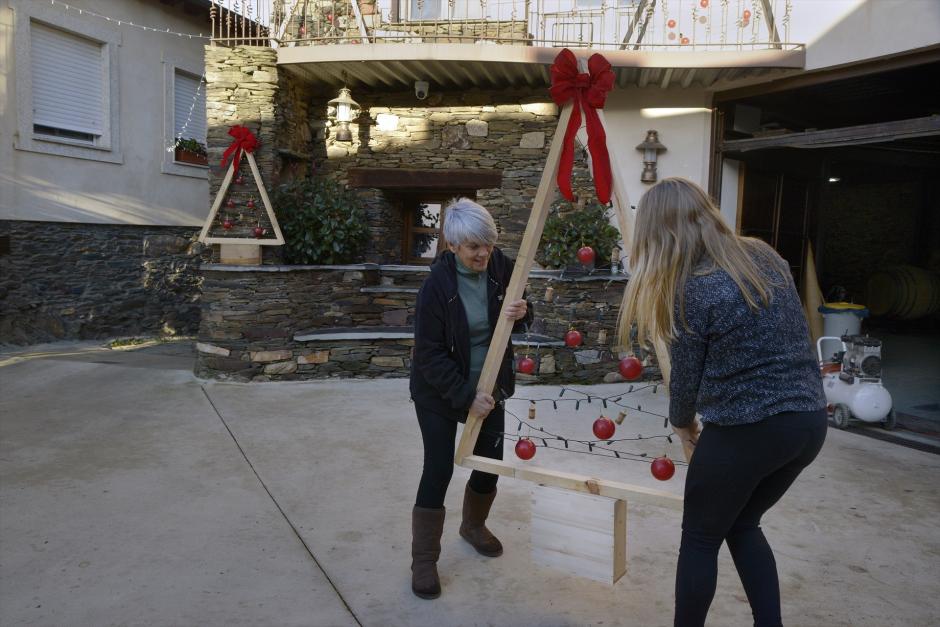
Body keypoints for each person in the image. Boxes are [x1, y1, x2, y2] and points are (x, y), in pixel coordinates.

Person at [618, 178, 827, 627]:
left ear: (659, 232)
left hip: (747, 430)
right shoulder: (764, 255)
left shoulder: (690, 290)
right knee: (742, 524)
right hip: (808, 424)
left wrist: (682, 426)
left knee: (699, 537)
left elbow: (686, 380)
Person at [408, 197, 532, 600]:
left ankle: (473, 526)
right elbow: (428, 356)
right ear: (453, 246)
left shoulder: (502, 268)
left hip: (489, 384)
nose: (484, 253)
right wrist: (465, 396)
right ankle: (424, 559)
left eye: (489, 244)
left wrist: (524, 310)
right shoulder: (435, 289)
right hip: (440, 392)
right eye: (474, 247)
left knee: (490, 463)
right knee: (439, 468)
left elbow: (521, 316)